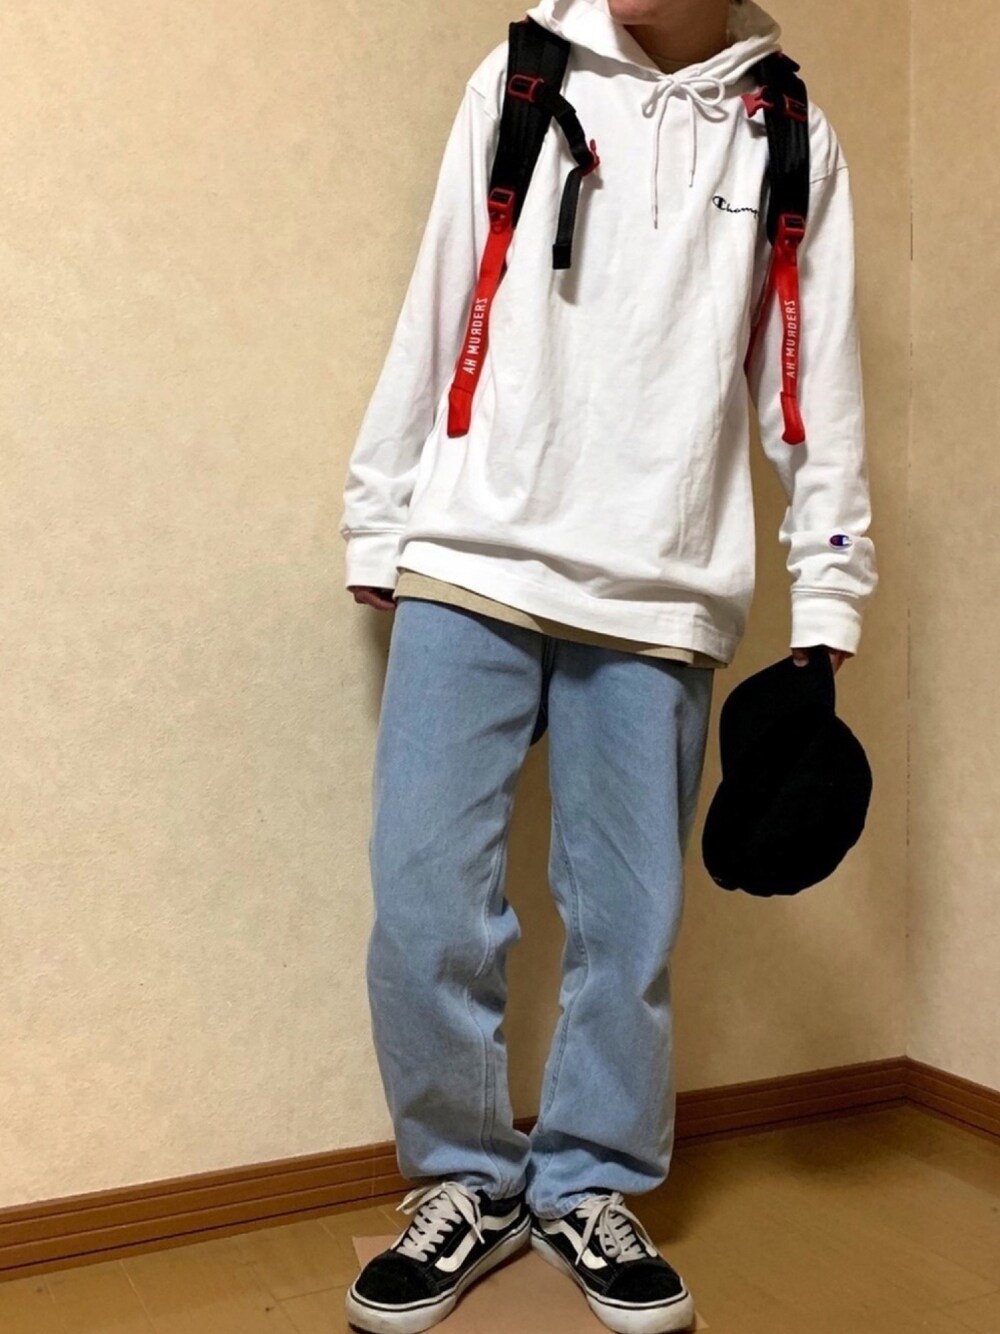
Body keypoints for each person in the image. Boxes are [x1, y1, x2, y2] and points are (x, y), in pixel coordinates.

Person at [339, 1, 877, 1330]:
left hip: (663, 587)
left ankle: (589, 1182)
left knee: (625, 930)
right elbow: (440, 293)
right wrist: (378, 508)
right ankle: (464, 1179)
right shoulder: (521, 77)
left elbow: (813, 387)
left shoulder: (789, 131)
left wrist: (829, 590)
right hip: (471, 553)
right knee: (423, 902)